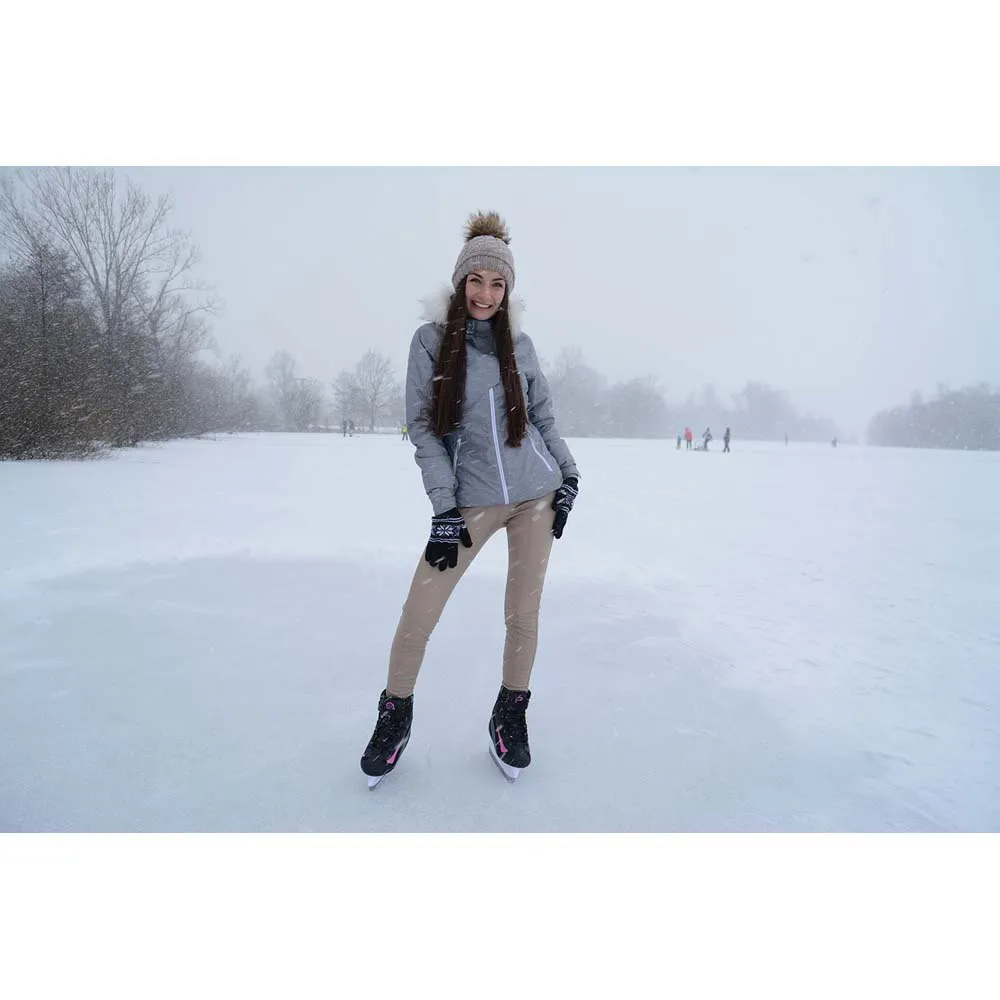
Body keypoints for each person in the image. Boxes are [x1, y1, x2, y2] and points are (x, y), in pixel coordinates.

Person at [360, 211, 580, 785]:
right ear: (460, 282)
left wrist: (569, 476)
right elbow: (422, 426)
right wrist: (443, 507)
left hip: (536, 494)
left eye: (498, 283)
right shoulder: (430, 342)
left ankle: (510, 715)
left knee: (523, 614)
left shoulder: (521, 346)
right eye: (477, 280)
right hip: (469, 500)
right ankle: (395, 716)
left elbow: (544, 419)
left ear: (509, 290)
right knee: (419, 611)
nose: (486, 294)